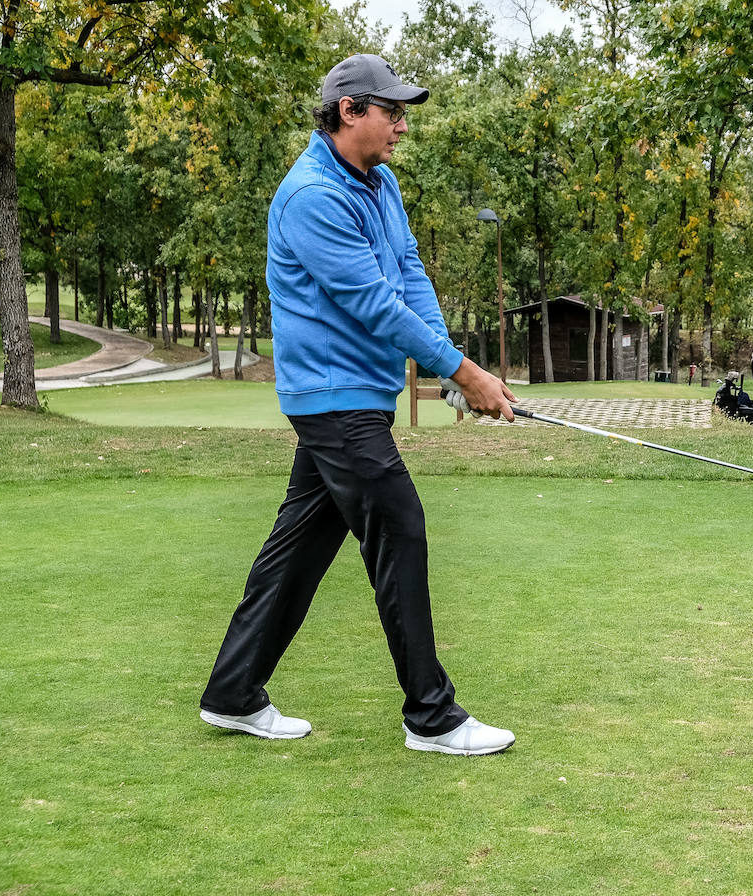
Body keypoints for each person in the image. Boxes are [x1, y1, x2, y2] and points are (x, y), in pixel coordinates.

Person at [198, 54, 518, 756]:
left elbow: (408, 274)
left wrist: (447, 363)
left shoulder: (381, 184)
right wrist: (465, 372)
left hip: (355, 398)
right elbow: (372, 304)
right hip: (332, 397)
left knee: (300, 548)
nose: (402, 125)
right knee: (399, 525)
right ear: (349, 111)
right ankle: (431, 717)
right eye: (392, 112)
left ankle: (232, 693)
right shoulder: (312, 195)